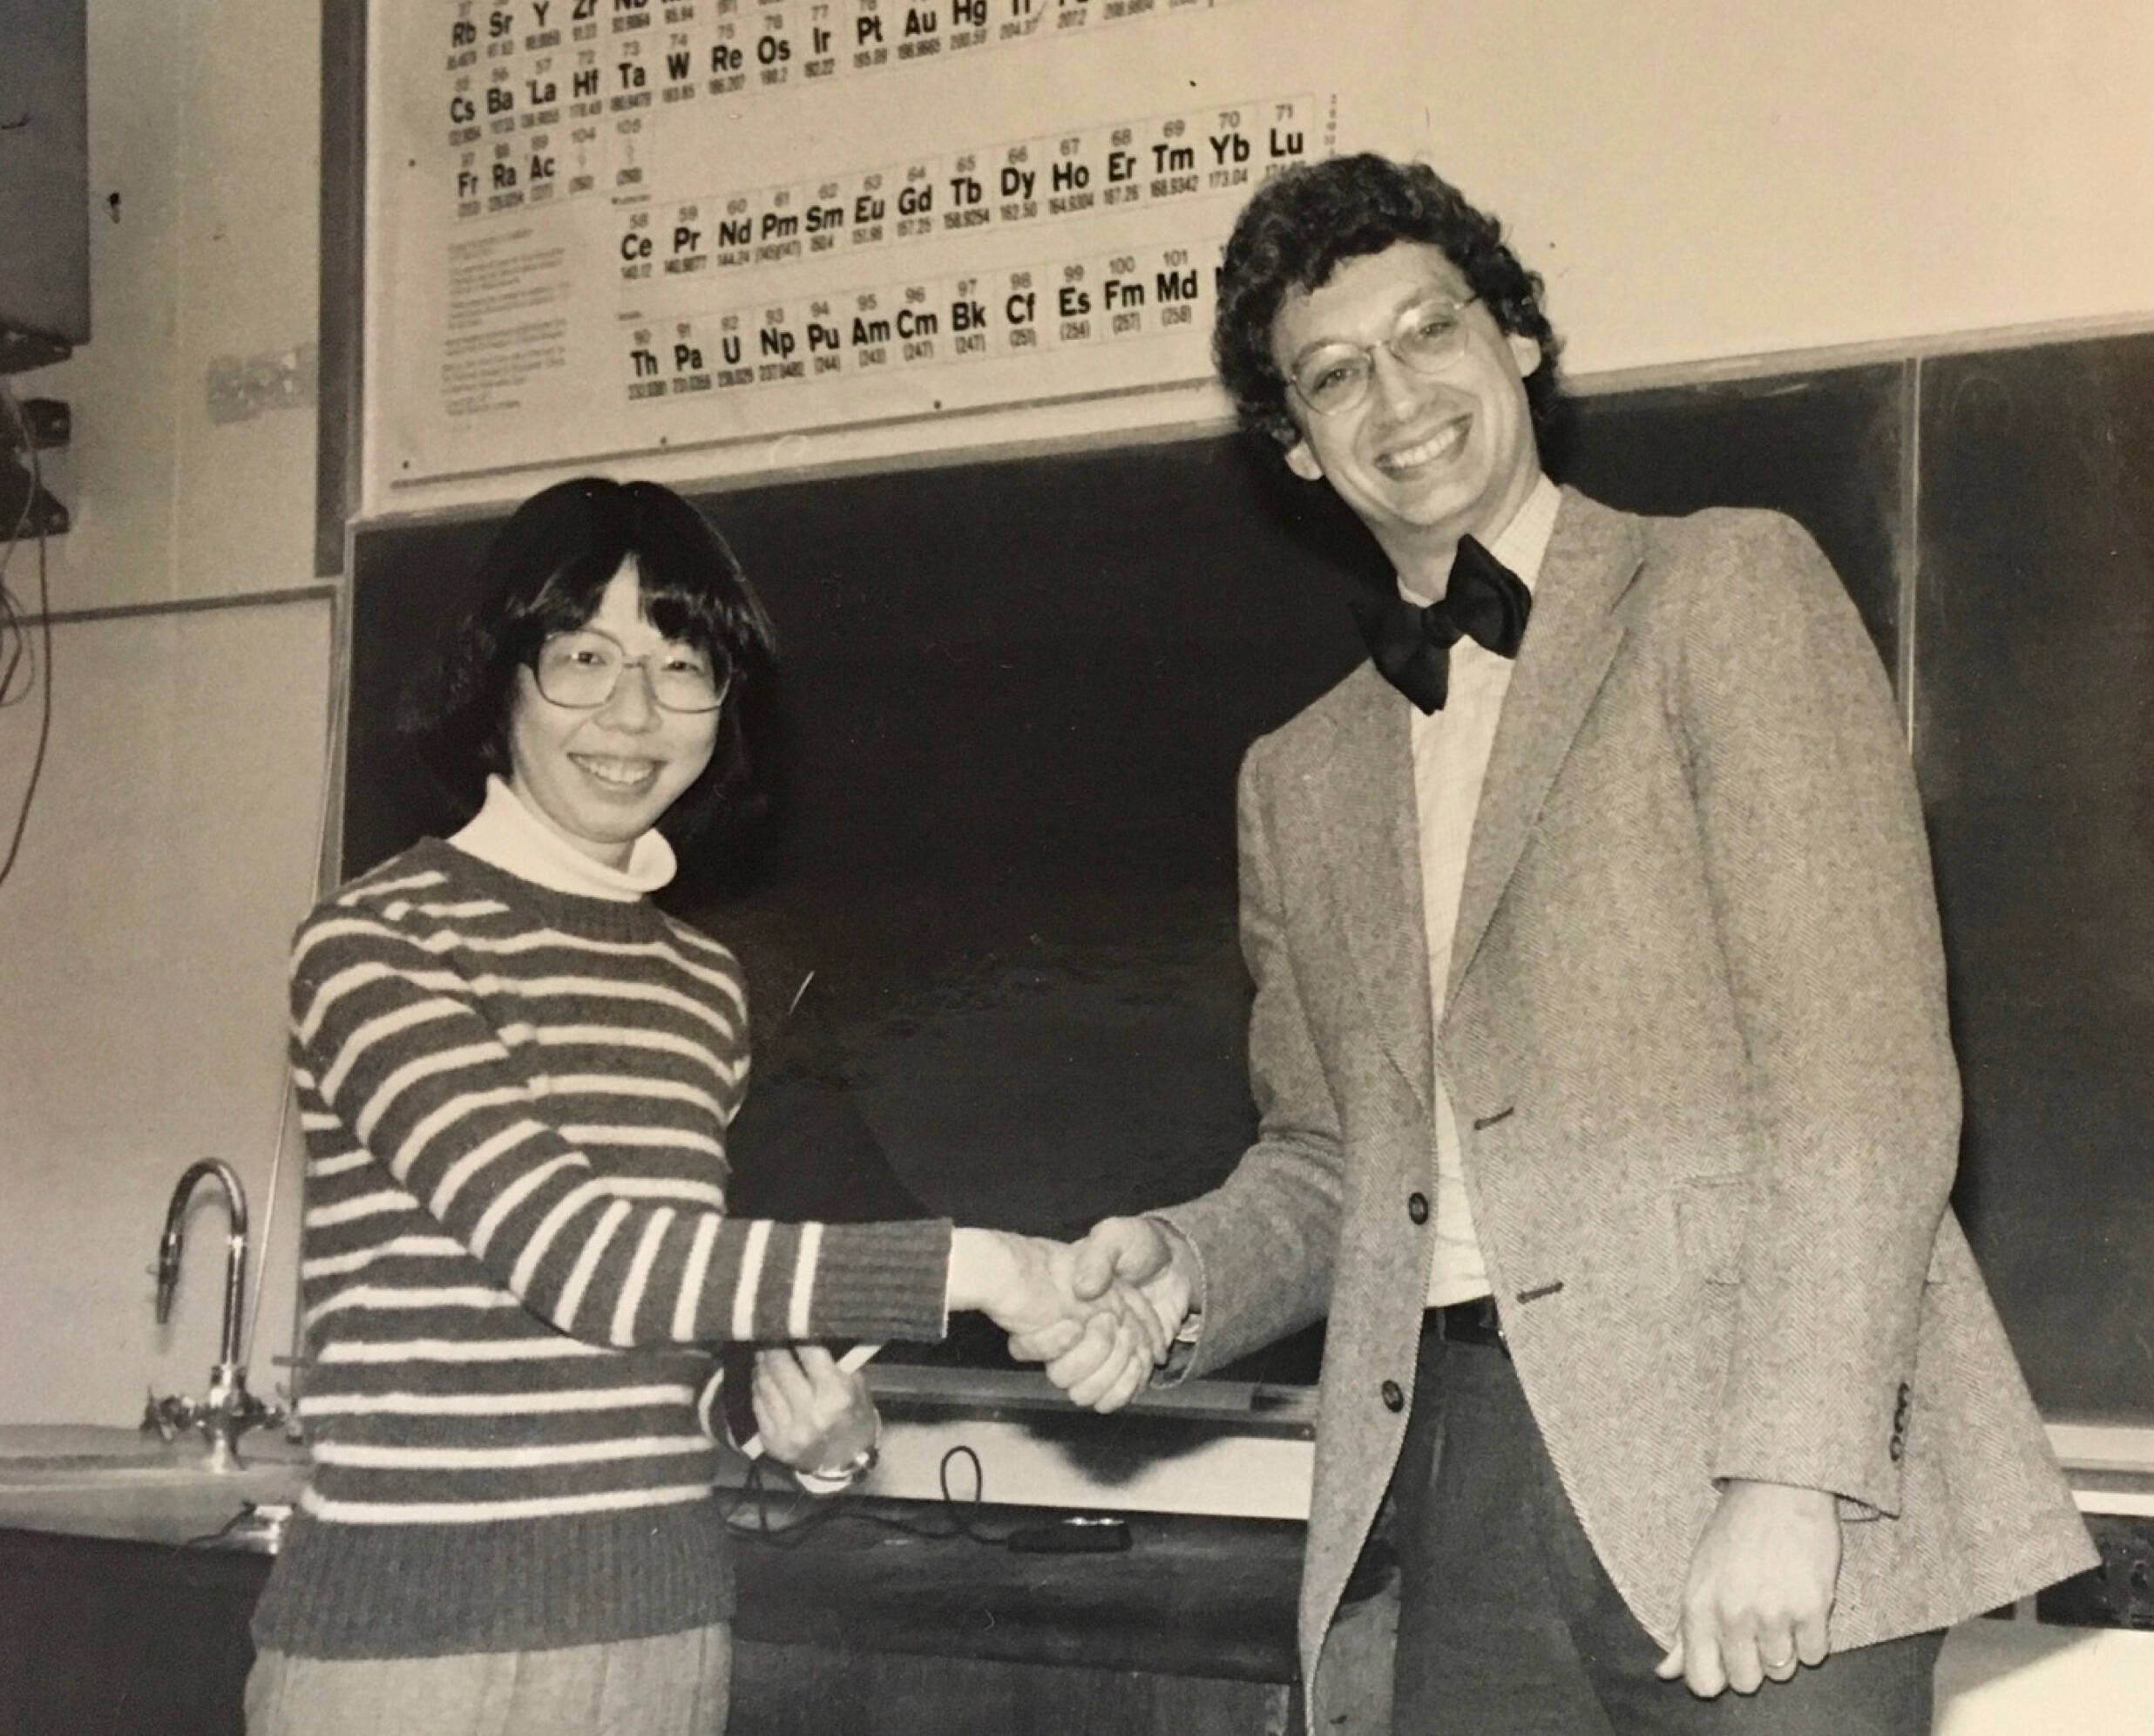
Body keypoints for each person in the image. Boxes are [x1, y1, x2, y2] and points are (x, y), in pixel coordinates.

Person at [1026, 155, 2097, 1734]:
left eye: (1430, 330)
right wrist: (1183, 1272)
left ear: (1517, 342)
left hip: (1759, 1451)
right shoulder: (1298, 775)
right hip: (1453, 1472)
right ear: (1297, 451)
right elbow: (1336, 1156)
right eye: (1334, 377)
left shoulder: (1723, 587)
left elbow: (1860, 1071)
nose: (1397, 396)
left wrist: (1791, 1473)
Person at [247, 477, 1156, 1734]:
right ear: (500, 677)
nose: (632, 715)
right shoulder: (375, 945)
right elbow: (586, 1263)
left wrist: (809, 1429)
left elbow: (672, 1338)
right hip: (412, 1660)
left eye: (681, 667)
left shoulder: (700, 986)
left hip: (666, 1641)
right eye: (583, 658)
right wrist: (986, 1267)